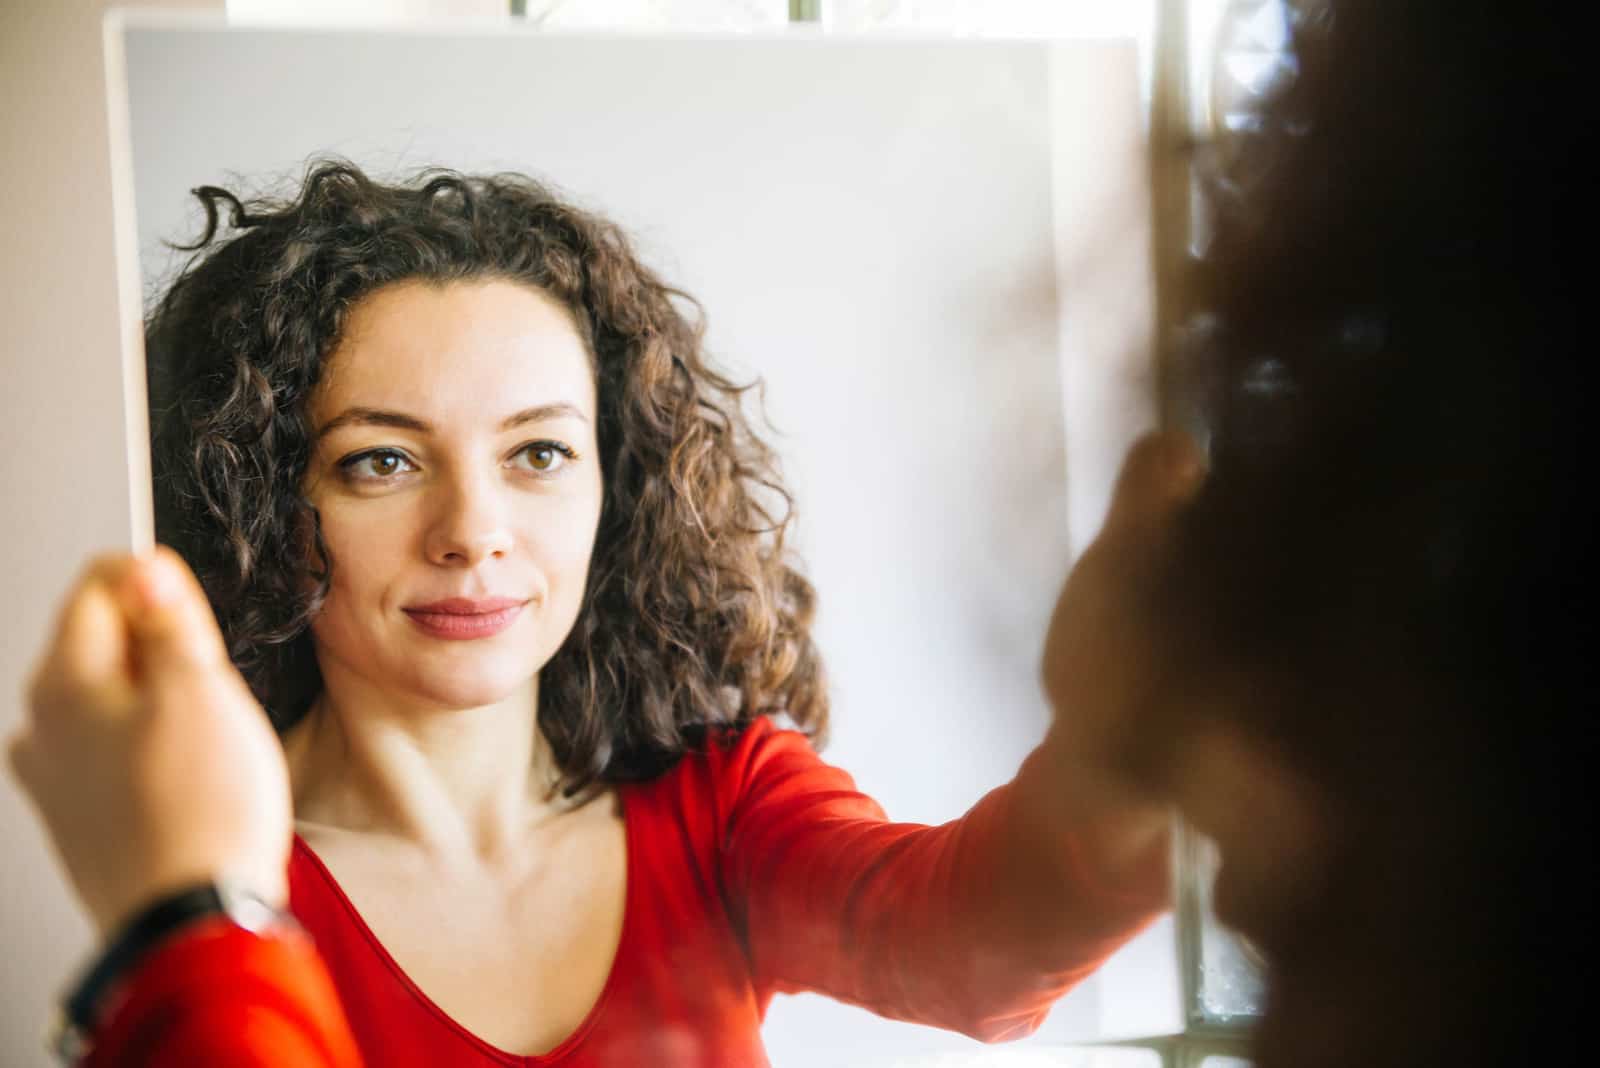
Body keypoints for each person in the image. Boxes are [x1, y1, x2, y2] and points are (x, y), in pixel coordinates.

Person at [8, 161, 1178, 1066]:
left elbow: (981, 948)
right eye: (380, 462)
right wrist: (194, 919)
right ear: (267, 503)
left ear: (616, 484)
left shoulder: (719, 811)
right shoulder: (207, 872)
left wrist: (1139, 734)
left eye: (540, 452)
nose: (473, 530)